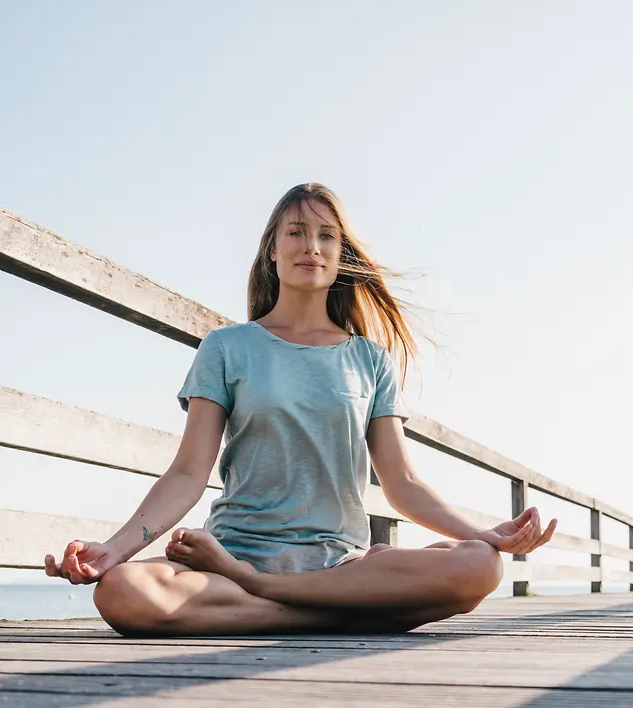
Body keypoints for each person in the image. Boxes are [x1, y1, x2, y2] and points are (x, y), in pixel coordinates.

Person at [43, 182, 558, 637]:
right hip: (231, 557)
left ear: (340, 255)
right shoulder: (227, 348)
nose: (310, 246)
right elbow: (187, 471)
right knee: (122, 591)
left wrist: (484, 534)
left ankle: (265, 593)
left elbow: (403, 484)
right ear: (272, 250)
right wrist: (115, 550)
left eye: (326, 235)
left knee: (481, 565)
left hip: (339, 565)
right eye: (295, 232)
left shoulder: (368, 359)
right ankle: (338, 612)